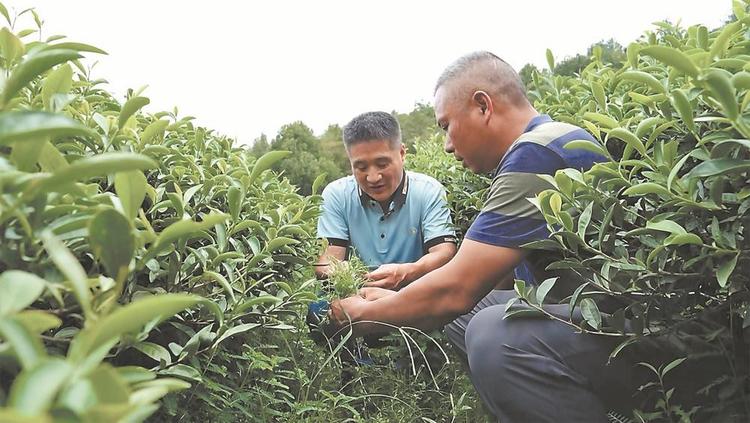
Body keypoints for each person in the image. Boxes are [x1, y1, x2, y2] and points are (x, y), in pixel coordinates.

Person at [329, 52, 633, 422]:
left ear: (482, 106)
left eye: (446, 126)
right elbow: (489, 280)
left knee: (493, 335)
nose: (447, 145)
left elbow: (457, 287)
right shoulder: (544, 142)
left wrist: (370, 314)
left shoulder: (536, 155)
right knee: (469, 314)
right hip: (592, 318)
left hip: (626, 332)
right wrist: (399, 296)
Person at [315, 111, 457, 289]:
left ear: (402, 153)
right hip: (357, 298)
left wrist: (408, 272)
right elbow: (326, 262)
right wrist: (350, 275)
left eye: (382, 164)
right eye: (361, 167)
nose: (373, 177)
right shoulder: (336, 195)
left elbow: (444, 253)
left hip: (415, 297)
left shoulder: (428, 191)